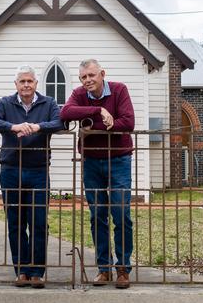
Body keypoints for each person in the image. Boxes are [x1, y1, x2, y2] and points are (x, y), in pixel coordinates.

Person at [0, 65, 64, 289]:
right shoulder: (5, 103)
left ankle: (37, 272)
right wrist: (13, 126)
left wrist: (37, 127)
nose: (26, 85)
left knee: (38, 222)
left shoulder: (48, 103)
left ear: (36, 83)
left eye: (30, 81)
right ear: (16, 84)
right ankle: (22, 271)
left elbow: (60, 123)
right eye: (22, 81)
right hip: (10, 171)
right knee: (16, 223)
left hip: (38, 171)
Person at [59, 59, 134, 289]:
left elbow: (127, 123)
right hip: (91, 162)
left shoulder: (119, 90)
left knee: (121, 213)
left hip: (119, 159)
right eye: (84, 77)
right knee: (97, 215)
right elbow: (65, 113)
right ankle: (104, 269)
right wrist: (98, 110)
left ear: (102, 73)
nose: (88, 80)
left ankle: (122, 268)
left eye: (92, 75)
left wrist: (91, 128)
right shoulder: (79, 94)